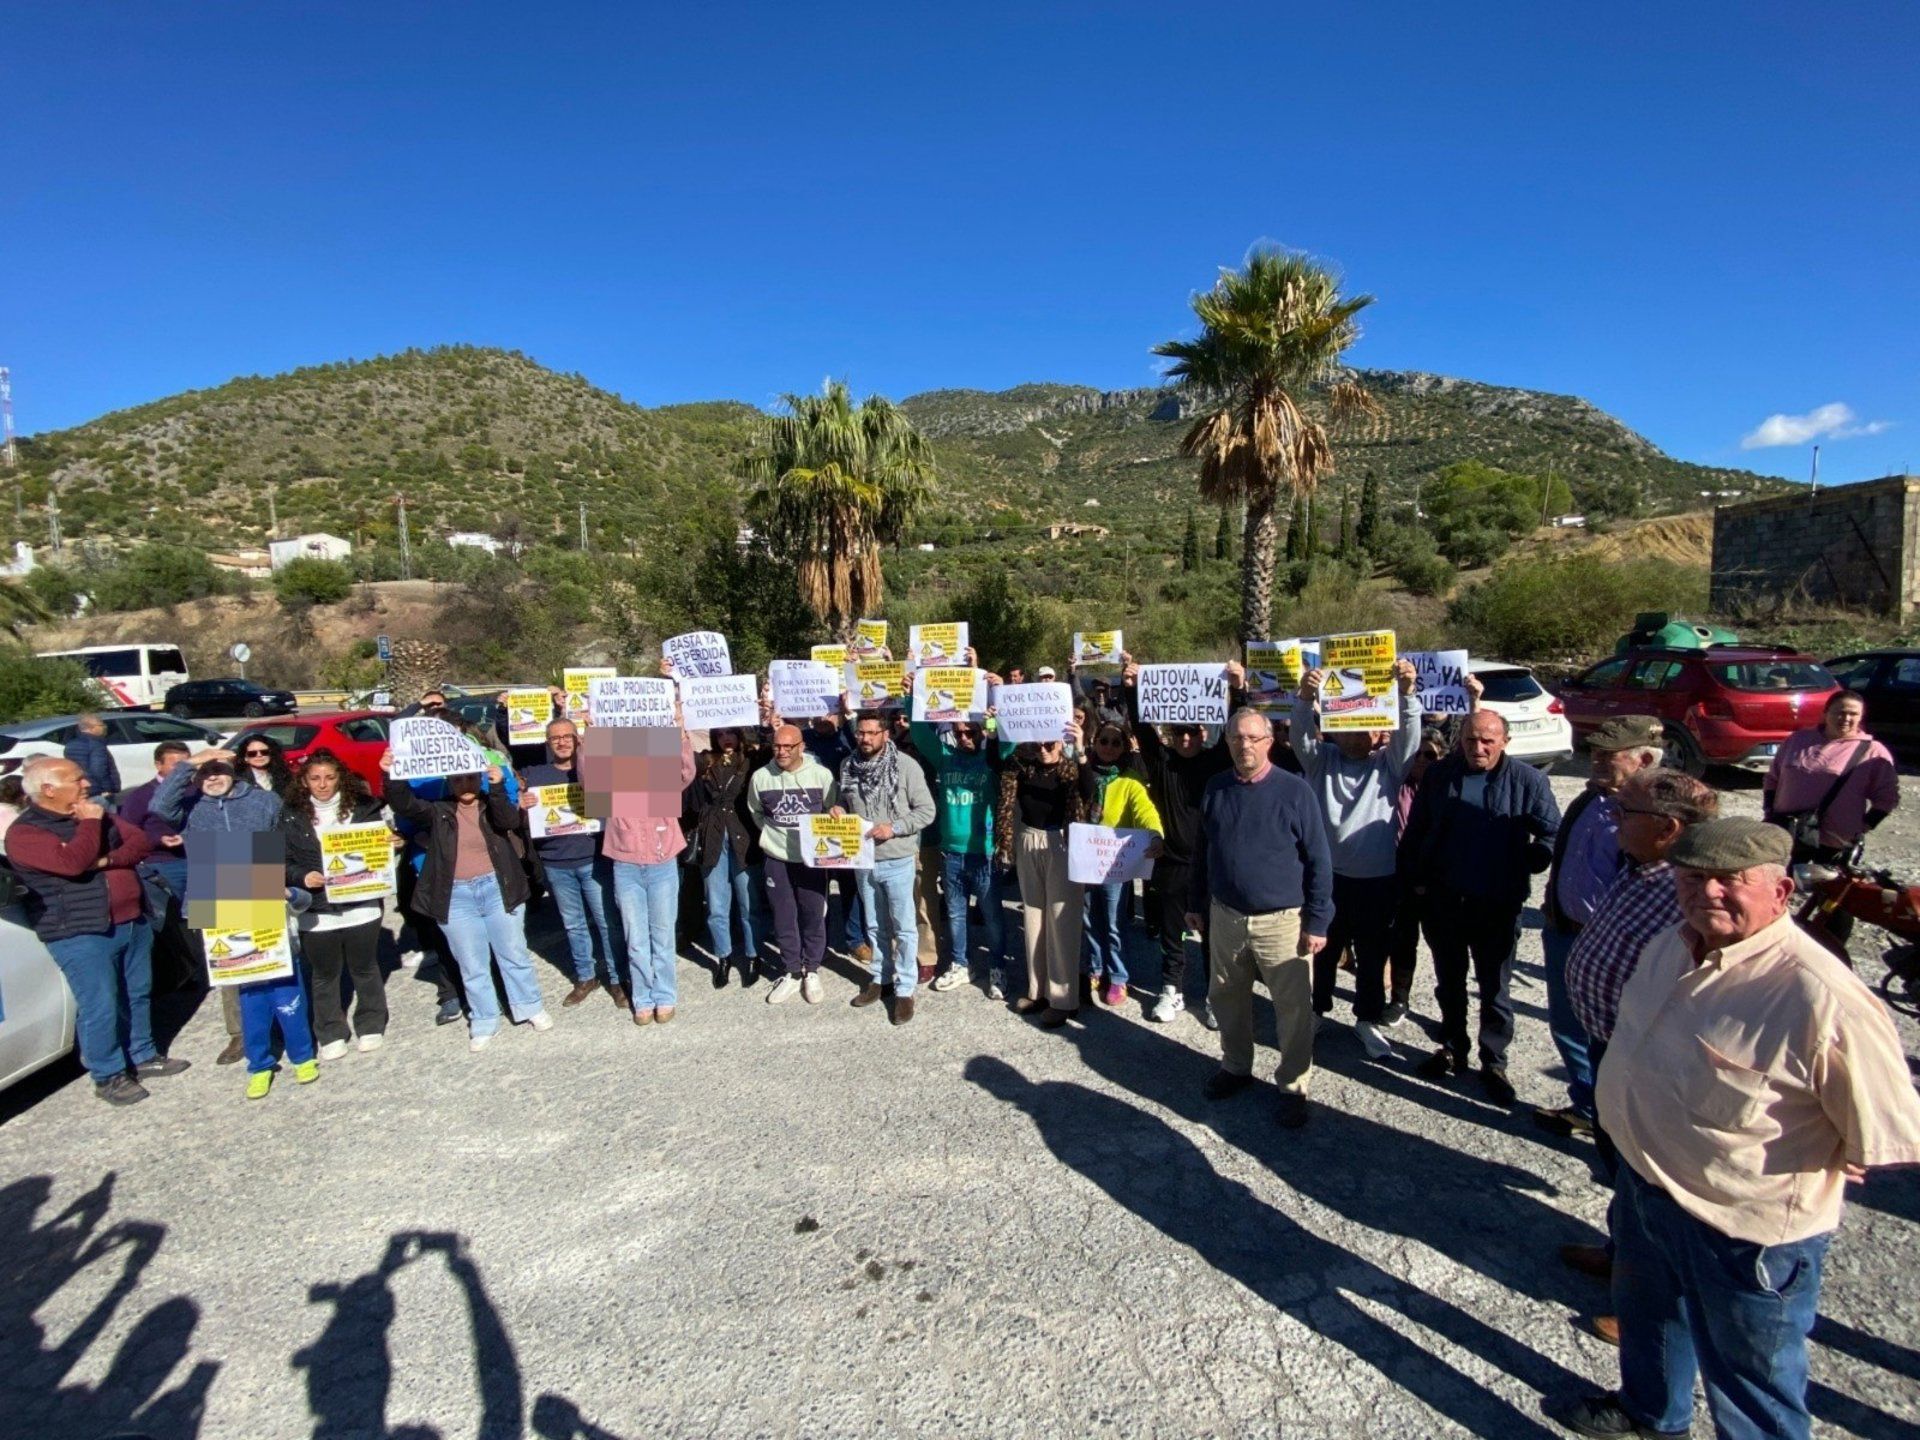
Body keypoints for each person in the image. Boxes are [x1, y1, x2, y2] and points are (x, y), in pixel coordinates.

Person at [1547, 816, 1920, 1440]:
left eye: (1731, 881)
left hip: (1743, 1234)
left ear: (1781, 892)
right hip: (1646, 1189)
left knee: (1752, 1382)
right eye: (1693, 878)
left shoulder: (1820, 995)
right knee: (1651, 1322)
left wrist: (1838, 1150)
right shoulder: (1674, 941)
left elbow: (1883, 1129)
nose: (1708, 893)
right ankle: (1650, 1417)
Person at [1553, 767, 1719, 1348]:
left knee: (1656, 1183)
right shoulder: (1643, 868)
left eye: (1628, 813)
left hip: (1654, 1064)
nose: (1615, 820)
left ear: (1669, 828)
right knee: (1622, 1166)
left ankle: (1650, 1304)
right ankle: (1622, 1252)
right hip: (1614, 1047)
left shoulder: (1692, 894)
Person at [1402, 709, 1561, 1105]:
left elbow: (1552, 833)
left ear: (1505, 742)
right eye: (1472, 740)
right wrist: (1414, 881)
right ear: (1461, 741)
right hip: (1444, 901)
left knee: (1495, 988)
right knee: (1448, 981)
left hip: (1497, 904)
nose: (1479, 748)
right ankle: (1454, 1045)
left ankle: (1494, 1061)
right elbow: (1417, 830)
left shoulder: (1528, 781)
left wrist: (1532, 857)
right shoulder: (1440, 776)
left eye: (1488, 740)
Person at [5, 756, 184, 1106]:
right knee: (100, 1004)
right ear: (49, 789)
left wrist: (104, 859)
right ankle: (109, 1074)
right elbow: (71, 863)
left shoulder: (96, 813)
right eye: (77, 779)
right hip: (81, 930)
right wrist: (90, 827)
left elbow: (139, 842)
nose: (87, 784)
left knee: (138, 991)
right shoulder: (27, 833)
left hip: (130, 919)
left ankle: (143, 1054)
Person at [1185, 709, 1332, 1128]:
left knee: (1292, 1009)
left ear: (1269, 741)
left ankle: (1293, 1085)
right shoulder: (1216, 787)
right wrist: (1196, 903)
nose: (1244, 745)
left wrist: (1318, 921)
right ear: (1227, 741)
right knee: (1227, 997)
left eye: (1252, 738)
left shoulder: (1295, 791)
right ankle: (1235, 1066)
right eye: (1235, 738)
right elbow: (1203, 853)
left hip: (1283, 921)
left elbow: (1319, 861)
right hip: (1226, 917)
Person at [1536, 716, 1664, 1136]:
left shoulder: (1655, 813)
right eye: (1594, 753)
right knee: (1567, 1024)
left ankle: (1620, 1120)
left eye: (1608, 756)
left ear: (1644, 758)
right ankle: (1588, 1105)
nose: (1595, 762)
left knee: (1615, 1033)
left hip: (1615, 943)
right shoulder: (1591, 799)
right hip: (1565, 930)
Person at [1290, 657, 1422, 1059]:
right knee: (1323, 951)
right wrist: (1305, 698)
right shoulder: (1321, 761)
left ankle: (1366, 1019)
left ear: (1379, 731)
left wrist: (1407, 695)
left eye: (1365, 726)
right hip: (1329, 879)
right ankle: (1317, 1011)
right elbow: (1300, 738)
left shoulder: (1389, 766)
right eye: (1346, 726)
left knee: (1371, 954)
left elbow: (1409, 740)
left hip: (1377, 880)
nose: (1355, 735)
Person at [382, 752, 552, 1051]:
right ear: (450, 781)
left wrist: (499, 787)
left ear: (480, 777)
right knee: (471, 961)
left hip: (498, 886)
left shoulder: (491, 805)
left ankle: (529, 1006)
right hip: (456, 895)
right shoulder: (438, 811)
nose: (465, 784)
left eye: (471, 777)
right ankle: (484, 1018)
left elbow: (509, 820)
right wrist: (390, 775)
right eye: (458, 778)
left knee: (513, 951)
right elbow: (405, 804)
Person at [1118, 658, 1245, 1027]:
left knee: (1211, 938)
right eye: (1178, 733)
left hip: (1209, 866)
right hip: (1171, 863)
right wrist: (1130, 688)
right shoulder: (1162, 762)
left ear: (1204, 731)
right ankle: (1171, 990)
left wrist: (1237, 690)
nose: (1185, 738)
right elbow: (1142, 729)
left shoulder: (1218, 761)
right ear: (1170, 735)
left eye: (1192, 731)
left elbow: (1236, 728)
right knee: (1172, 934)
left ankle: (1213, 996)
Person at [1762, 689, 1899, 950]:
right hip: (1787, 832)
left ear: (1861, 718)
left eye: (1853, 714)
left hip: (1835, 841)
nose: (1845, 718)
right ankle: (1773, 942)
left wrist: (1865, 826)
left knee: (1835, 902)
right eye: (1840, 712)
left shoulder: (1873, 752)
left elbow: (1887, 798)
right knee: (1776, 887)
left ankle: (1833, 951)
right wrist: (1769, 810)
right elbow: (1772, 778)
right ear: (1825, 713)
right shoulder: (1798, 740)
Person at [282, 752, 394, 1059]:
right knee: (324, 974)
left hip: (361, 904)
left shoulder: (363, 808)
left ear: (339, 778)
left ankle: (371, 1023)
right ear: (304, 781)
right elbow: (282, 860)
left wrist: (390, 844)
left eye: (329, 777)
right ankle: (330, 1031)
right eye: (315, 778)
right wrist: (302, 876)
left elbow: (381, 847)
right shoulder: (290, 814)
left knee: (365, 967)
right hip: (317, 911)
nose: (323, 785)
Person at [835, 711, 937, 1024]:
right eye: (860, 733)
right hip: (863, 858)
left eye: (871, 733)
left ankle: (905, 988)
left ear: (885, 734)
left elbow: (926, 812)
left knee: (904, 926)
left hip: (898, 857)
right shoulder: (848, 765)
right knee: (875, 924)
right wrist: (837, 806)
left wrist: (894, 827)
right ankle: (882, 978)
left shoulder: (906, 767)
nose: (864, 739)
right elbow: (843, 797)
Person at [518, 717, 626, 1011]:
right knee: (573, 924)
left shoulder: (595, 769)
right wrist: (520, 803)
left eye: (568, 736)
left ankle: (617, 979)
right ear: (548, 743)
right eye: (555, 738)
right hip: (555, 861)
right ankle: (585, 977)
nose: (562, 742)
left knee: (607, 923)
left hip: (594, 858)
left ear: (578, 740)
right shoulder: (535, 775)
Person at [904, 710, 1011, 999]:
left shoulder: (990, 759)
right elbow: (918, 732)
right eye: (959, 732)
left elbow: (1009, 742)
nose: (965, 738)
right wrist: (912, 697)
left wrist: (993, 715)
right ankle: (961, 964)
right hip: (952, 852)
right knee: (955, 914)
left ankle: (998, 967)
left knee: (992, 916)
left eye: (971, 732)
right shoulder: (945, 757)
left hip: (985, 852)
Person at [599, 724, 697, 1027]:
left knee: (663, 934)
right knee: (636, 937)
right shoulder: (612, 786)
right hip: (626, 867)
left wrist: (680, 736)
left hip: (662, 864)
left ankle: (665, 995)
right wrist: (590, 740)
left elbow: (686, 772)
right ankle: (643, 998)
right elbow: (589, 777)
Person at [994, 719, 1088, 1027]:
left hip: (1062, 842)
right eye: (1039, 744)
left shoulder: (1070, 771)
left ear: (1061, 742)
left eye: (1050, 744)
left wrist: (1081, 750)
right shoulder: (1021, 765)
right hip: (1028, 839)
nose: (1044, 749)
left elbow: (1088, 788)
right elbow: (998, 762)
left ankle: (1064, 998)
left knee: (1062, 920)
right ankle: (1038, 990)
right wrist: (1000, 722)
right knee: (1033, 917)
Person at [747, 723, 840, 1005]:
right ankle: (792, 971)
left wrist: (837, 812)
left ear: (802, 746)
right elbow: (756, 812)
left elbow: (830, 807)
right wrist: (769, 836)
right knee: (783, 916)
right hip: (776, 856)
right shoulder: (761, 777)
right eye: (777, 746)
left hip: (811, 857)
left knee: (812, 914)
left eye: (788, 746)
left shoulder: (822, 775)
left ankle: (811, 969)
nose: (782, 751)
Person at [1077, 719, 1164, 1010]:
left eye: (1116, 742)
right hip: (1085, 860)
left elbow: (1146, 812)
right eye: (1104, 741)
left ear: (1125, 747)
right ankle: (1095, 968)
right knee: (1089, 919)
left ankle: (1117, 976)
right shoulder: (1084, 772)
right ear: (1095, 743)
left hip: (1116, 864)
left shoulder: (1130, 781)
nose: (1109, 748)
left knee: (1114, 923)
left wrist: (1155, 835)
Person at [118, 741, 202, 998]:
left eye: (188, 762)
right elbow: (128, 831)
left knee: (207, 917)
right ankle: (186, 974)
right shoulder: (141, 795)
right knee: (176, 922)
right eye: (177, 764)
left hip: (202, 858)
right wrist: (156, 841)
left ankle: (213, 968)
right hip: (164, 864)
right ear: (158, 764)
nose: (184, 769)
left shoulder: (199, 790)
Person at [687, 726, 768, 988]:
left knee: (748, 903)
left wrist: (769, 725)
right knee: (716, 904)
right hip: (712, 837)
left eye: (730, 733)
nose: (726, 739)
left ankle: (754, 955)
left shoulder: (752, 759)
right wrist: (676, 730)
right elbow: (674, 763)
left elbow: (775, 754)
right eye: (720, 734)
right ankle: (723, 957)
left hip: (742, 836)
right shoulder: (705, 760)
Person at [1385, 724, 1449, 1026]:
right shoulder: (1396, 784)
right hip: (1401, 875)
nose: (1422, 760)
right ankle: (1399, 999)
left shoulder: (1448, 789)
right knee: (1401, 940)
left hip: (1438, 881)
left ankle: (1450, 1009)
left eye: (1430, 755)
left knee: (1444, 948)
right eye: (1417, 754)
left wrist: (1473, 702)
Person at [63, 714, 121, 804]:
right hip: (99, 790)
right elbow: (99, 770)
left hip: (82, 788)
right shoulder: (96, 744)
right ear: (92, 727)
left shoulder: (70, 744)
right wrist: (108, 788)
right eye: (101, 725)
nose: (104, 728)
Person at [235, 732, 295, 797]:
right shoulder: (239, 780)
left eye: (264, 752)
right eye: (252, 753)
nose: (259, 755)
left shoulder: (283, 775)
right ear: (245, 758)